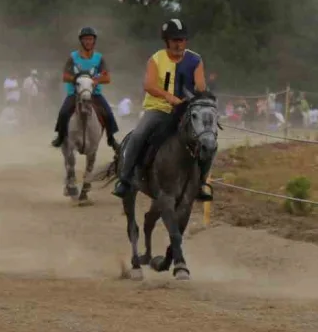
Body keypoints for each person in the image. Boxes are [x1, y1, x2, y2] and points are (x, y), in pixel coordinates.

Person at [111, 18, 211, 201]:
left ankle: (201, 183)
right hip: (158, 109)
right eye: (174, 40)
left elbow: (200, 85)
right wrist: (169, 97)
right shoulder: (156, 59)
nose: (178, 44)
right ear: (167, 41)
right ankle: (125, 179)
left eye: (181, 40)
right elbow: (148, 85)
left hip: (187, 111)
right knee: (138, 135)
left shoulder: (195, 59)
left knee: (209, 140)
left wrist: (199, 92)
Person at [51, 26, 120, 150]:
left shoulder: (99, 58)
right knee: (64, 112)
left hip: (94, 94)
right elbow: (65, 76)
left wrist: (95, 80)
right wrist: (76, 79)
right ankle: (60, 137)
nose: (88, 42)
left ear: (94, 41)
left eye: (90, 39)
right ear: (81, 41)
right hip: (75, 93)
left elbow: (107, 78)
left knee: (108, 113)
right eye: (85, 39)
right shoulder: (73, 57)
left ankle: (111, 138)